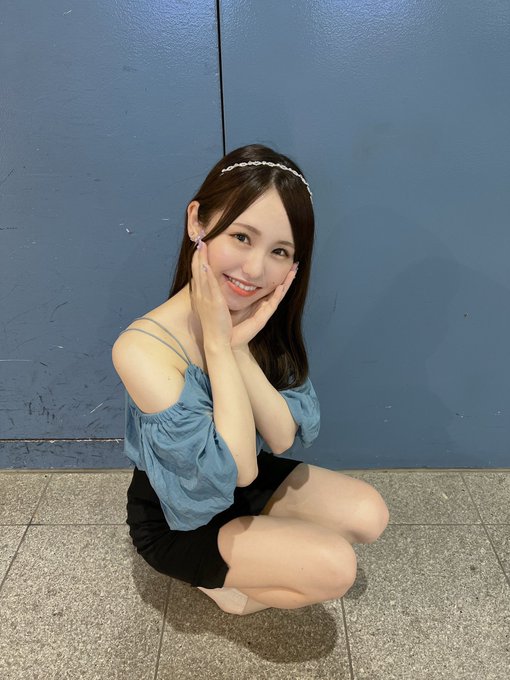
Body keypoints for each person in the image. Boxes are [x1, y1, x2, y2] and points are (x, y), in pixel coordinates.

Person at [112, 143, 389, 616]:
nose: (256, 270)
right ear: (197, 222)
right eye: (242, 237)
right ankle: (224, 589)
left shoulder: (257, 317)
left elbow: (280, 438)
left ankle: (256, 558)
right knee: (334, 568)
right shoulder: (140, 348)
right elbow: (235, 468)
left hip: (243, 484)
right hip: (179, 515)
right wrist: (219, 346)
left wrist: (238, 347)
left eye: (279, 251)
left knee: (369, 514)